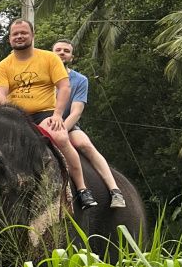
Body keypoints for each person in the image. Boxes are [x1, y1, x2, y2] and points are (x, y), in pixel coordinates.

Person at [0, 20, 98, 209]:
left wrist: (58, 115)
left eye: (23, 32)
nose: (19, 36)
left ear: (32, 35)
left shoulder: (49, 58)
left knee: (60, 136)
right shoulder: (2, 66)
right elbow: (0, 94)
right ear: (9, 39)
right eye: (15, 34)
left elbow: (64, 87)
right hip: (16, 116)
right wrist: (4, 108)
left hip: (45, 114)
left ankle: (82, 189)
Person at [51, 39, 126, 207]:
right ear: (51, 54)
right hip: (42, 123)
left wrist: (61, 131)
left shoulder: (80, 80)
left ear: (71, 57)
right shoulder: (42, 77)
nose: (62, 53)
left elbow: (76, 111)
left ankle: (115, 191)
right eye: (58, 50)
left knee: (85, 144)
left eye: (66, 51)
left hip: (66, 125)